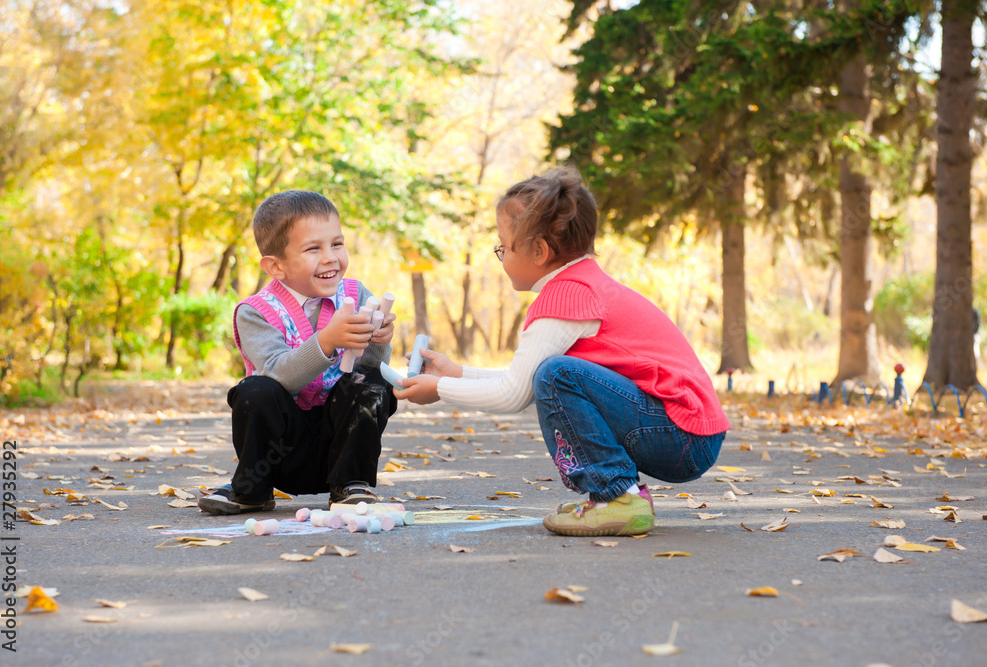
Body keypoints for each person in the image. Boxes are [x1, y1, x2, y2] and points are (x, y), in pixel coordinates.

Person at [395, 168, 730, 537]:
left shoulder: (566, 297)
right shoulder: (583, 283)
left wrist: (439, 390)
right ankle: (618, 496)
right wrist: (456, 373)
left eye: (503, 247)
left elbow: (514, 394)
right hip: (687, 433)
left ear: (538, 251)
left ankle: (616, 497)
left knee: (555, 374)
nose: (501, 256)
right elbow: (522, 382)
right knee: (552, 375)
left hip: (679, 435)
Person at [199, 190, 397, 515]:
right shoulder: (256, 311)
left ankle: (351, 484)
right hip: (281, 451)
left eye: (337, 243)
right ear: (276, 266)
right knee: (255, 390)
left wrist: (378, 340)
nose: (331, 257)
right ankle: (251, 490)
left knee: (374, 382)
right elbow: (280, 374)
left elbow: (372, 369)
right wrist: (326, 340)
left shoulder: (356, 293)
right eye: (313, 249)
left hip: (341, 441)